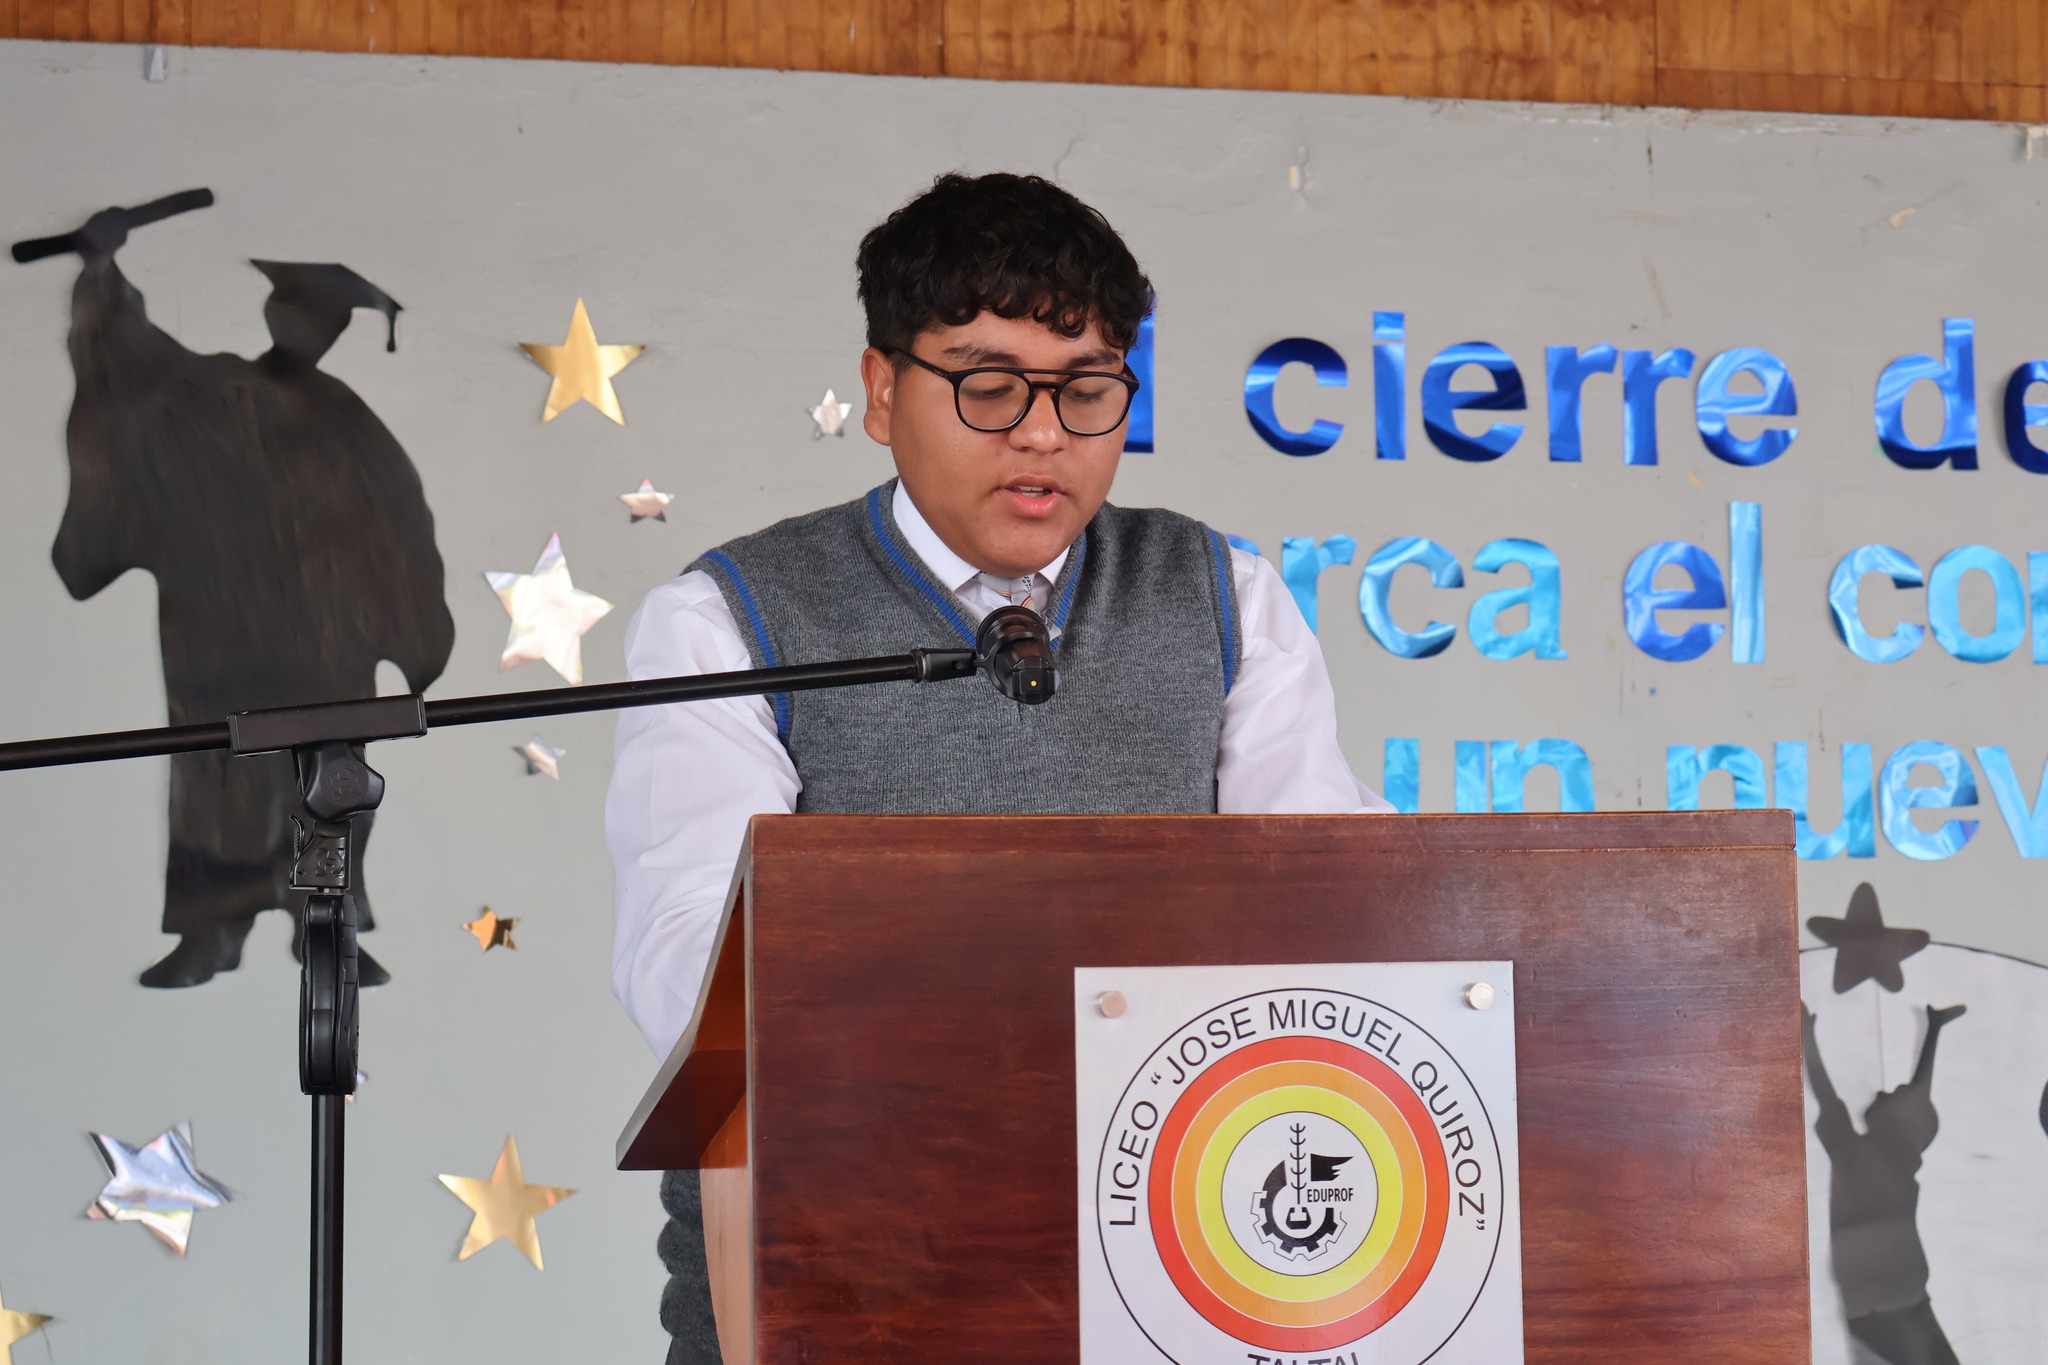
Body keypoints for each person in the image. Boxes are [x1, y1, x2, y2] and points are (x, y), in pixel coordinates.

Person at [603, 171, 1390, 1364]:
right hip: (839, 1264)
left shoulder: (1224, 596)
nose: (1040, 433)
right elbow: (687, 975)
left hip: (1174, 1256)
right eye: (987, 386)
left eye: (1086, 392)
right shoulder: (726, 617)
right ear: (881, 389)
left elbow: (1333, 919)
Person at [1803, 1001, 1967, 1365]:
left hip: (1890, 1305)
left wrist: (1807, 1036)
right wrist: (1934, 1032)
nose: (1885, 1092)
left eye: (1890, 1096)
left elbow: (1830, 1097)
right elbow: (1918, 1095)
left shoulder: (1862, 1154)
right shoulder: (1898, 1158)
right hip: (1888, 1306)